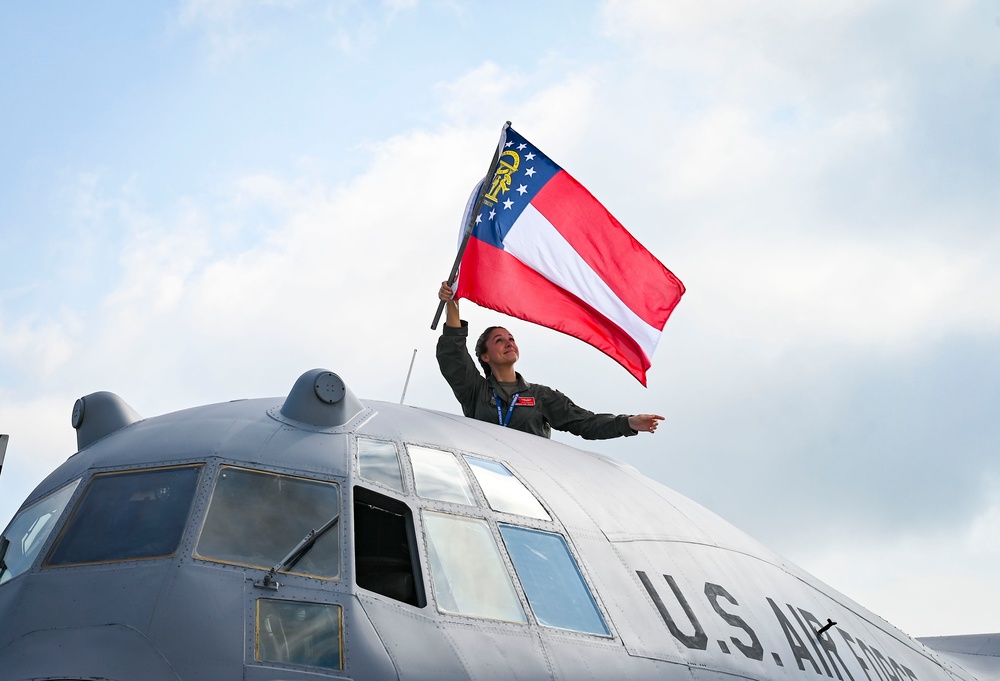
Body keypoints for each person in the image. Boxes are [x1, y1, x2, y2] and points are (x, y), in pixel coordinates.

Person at [436, 282, 664, 439]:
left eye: (511, 339)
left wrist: (629, 423)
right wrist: (452, 302)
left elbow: (584, 422)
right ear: (485, 356)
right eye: (499, 340)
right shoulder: (476, 391)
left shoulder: (540, 396)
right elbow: (454, 357)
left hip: (528, 483)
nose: (509, 343)